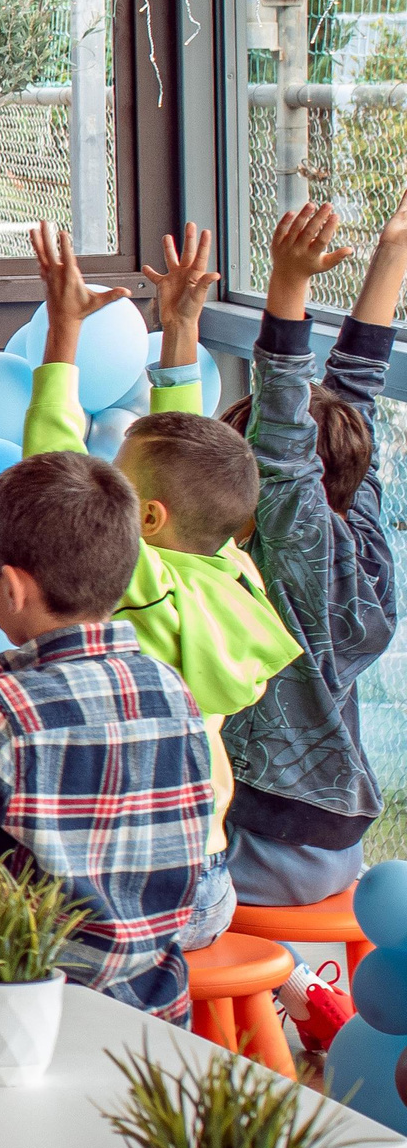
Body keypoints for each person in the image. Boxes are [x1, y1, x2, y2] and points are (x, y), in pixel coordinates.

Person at [20, 223, 299, 949]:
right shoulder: (232, 572)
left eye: (113, 467)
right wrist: (181, 328)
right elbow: (192, 462)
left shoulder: (142, 580)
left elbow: (49, 469)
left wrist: (63, 334)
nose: (99, 473)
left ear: (145, 518)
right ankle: (291, 989)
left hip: (135, 887)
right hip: (209, 877)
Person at [0, 448, 214, 1019]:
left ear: (14, 586)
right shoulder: (172, 690)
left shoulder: (3, 712)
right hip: (158, 1015)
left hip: (26, 1026)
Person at [218, 200, 405, 912]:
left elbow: (285, 430)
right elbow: (354, 390)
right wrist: (393, 253)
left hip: (268, 842)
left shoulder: (296, 543)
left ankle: (285, 986)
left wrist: (288, 284)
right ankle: (299, 993)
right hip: (334, 839)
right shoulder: (357, 524)